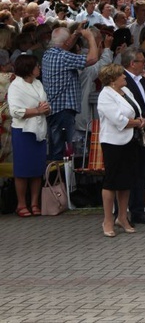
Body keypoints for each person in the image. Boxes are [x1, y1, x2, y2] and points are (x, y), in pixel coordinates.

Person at [97, 64, 145, 237]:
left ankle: (122, 217)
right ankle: (107, 220)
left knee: (126, 181)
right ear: (112, 80)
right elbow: (119, 120)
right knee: (112, 181)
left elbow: (135, 111)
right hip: (113, 142)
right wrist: (137, 123)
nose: (125, 78)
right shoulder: (105, 96)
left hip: (130, 140)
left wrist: (140, 119)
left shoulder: (126, 92)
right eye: (121, 76)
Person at [42, 26, 99, 160]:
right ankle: (59, 180)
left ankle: (56, 178)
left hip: (53, 109)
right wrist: (90, 37)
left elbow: (65, 46)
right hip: (63, 111)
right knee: (62, 152)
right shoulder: (64, 57)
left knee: (56, 148)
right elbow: (92, 59)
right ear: (66, 42)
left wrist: (75, 34)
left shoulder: (48, 54)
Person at [7, 55, 50, 217]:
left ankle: (34, 202)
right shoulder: (16, 86)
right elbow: (15, 111)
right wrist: (37, 111)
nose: (39, 68)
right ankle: (21, 204)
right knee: (23, 169)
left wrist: (46, 109)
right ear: (29, 69)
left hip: (39, 129)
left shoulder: (38, 83)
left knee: (37, 168)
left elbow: (45, 105)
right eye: (36, 66)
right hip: (23, 131)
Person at [121, 47, 145, 225]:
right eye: (142, 61)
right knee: (129, 173)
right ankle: (123, 211)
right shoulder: (123, 80)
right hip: (129, 133)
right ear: (132, 63)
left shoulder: (143, 81)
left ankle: (138, 210)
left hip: (144, 132)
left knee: (141, 172)